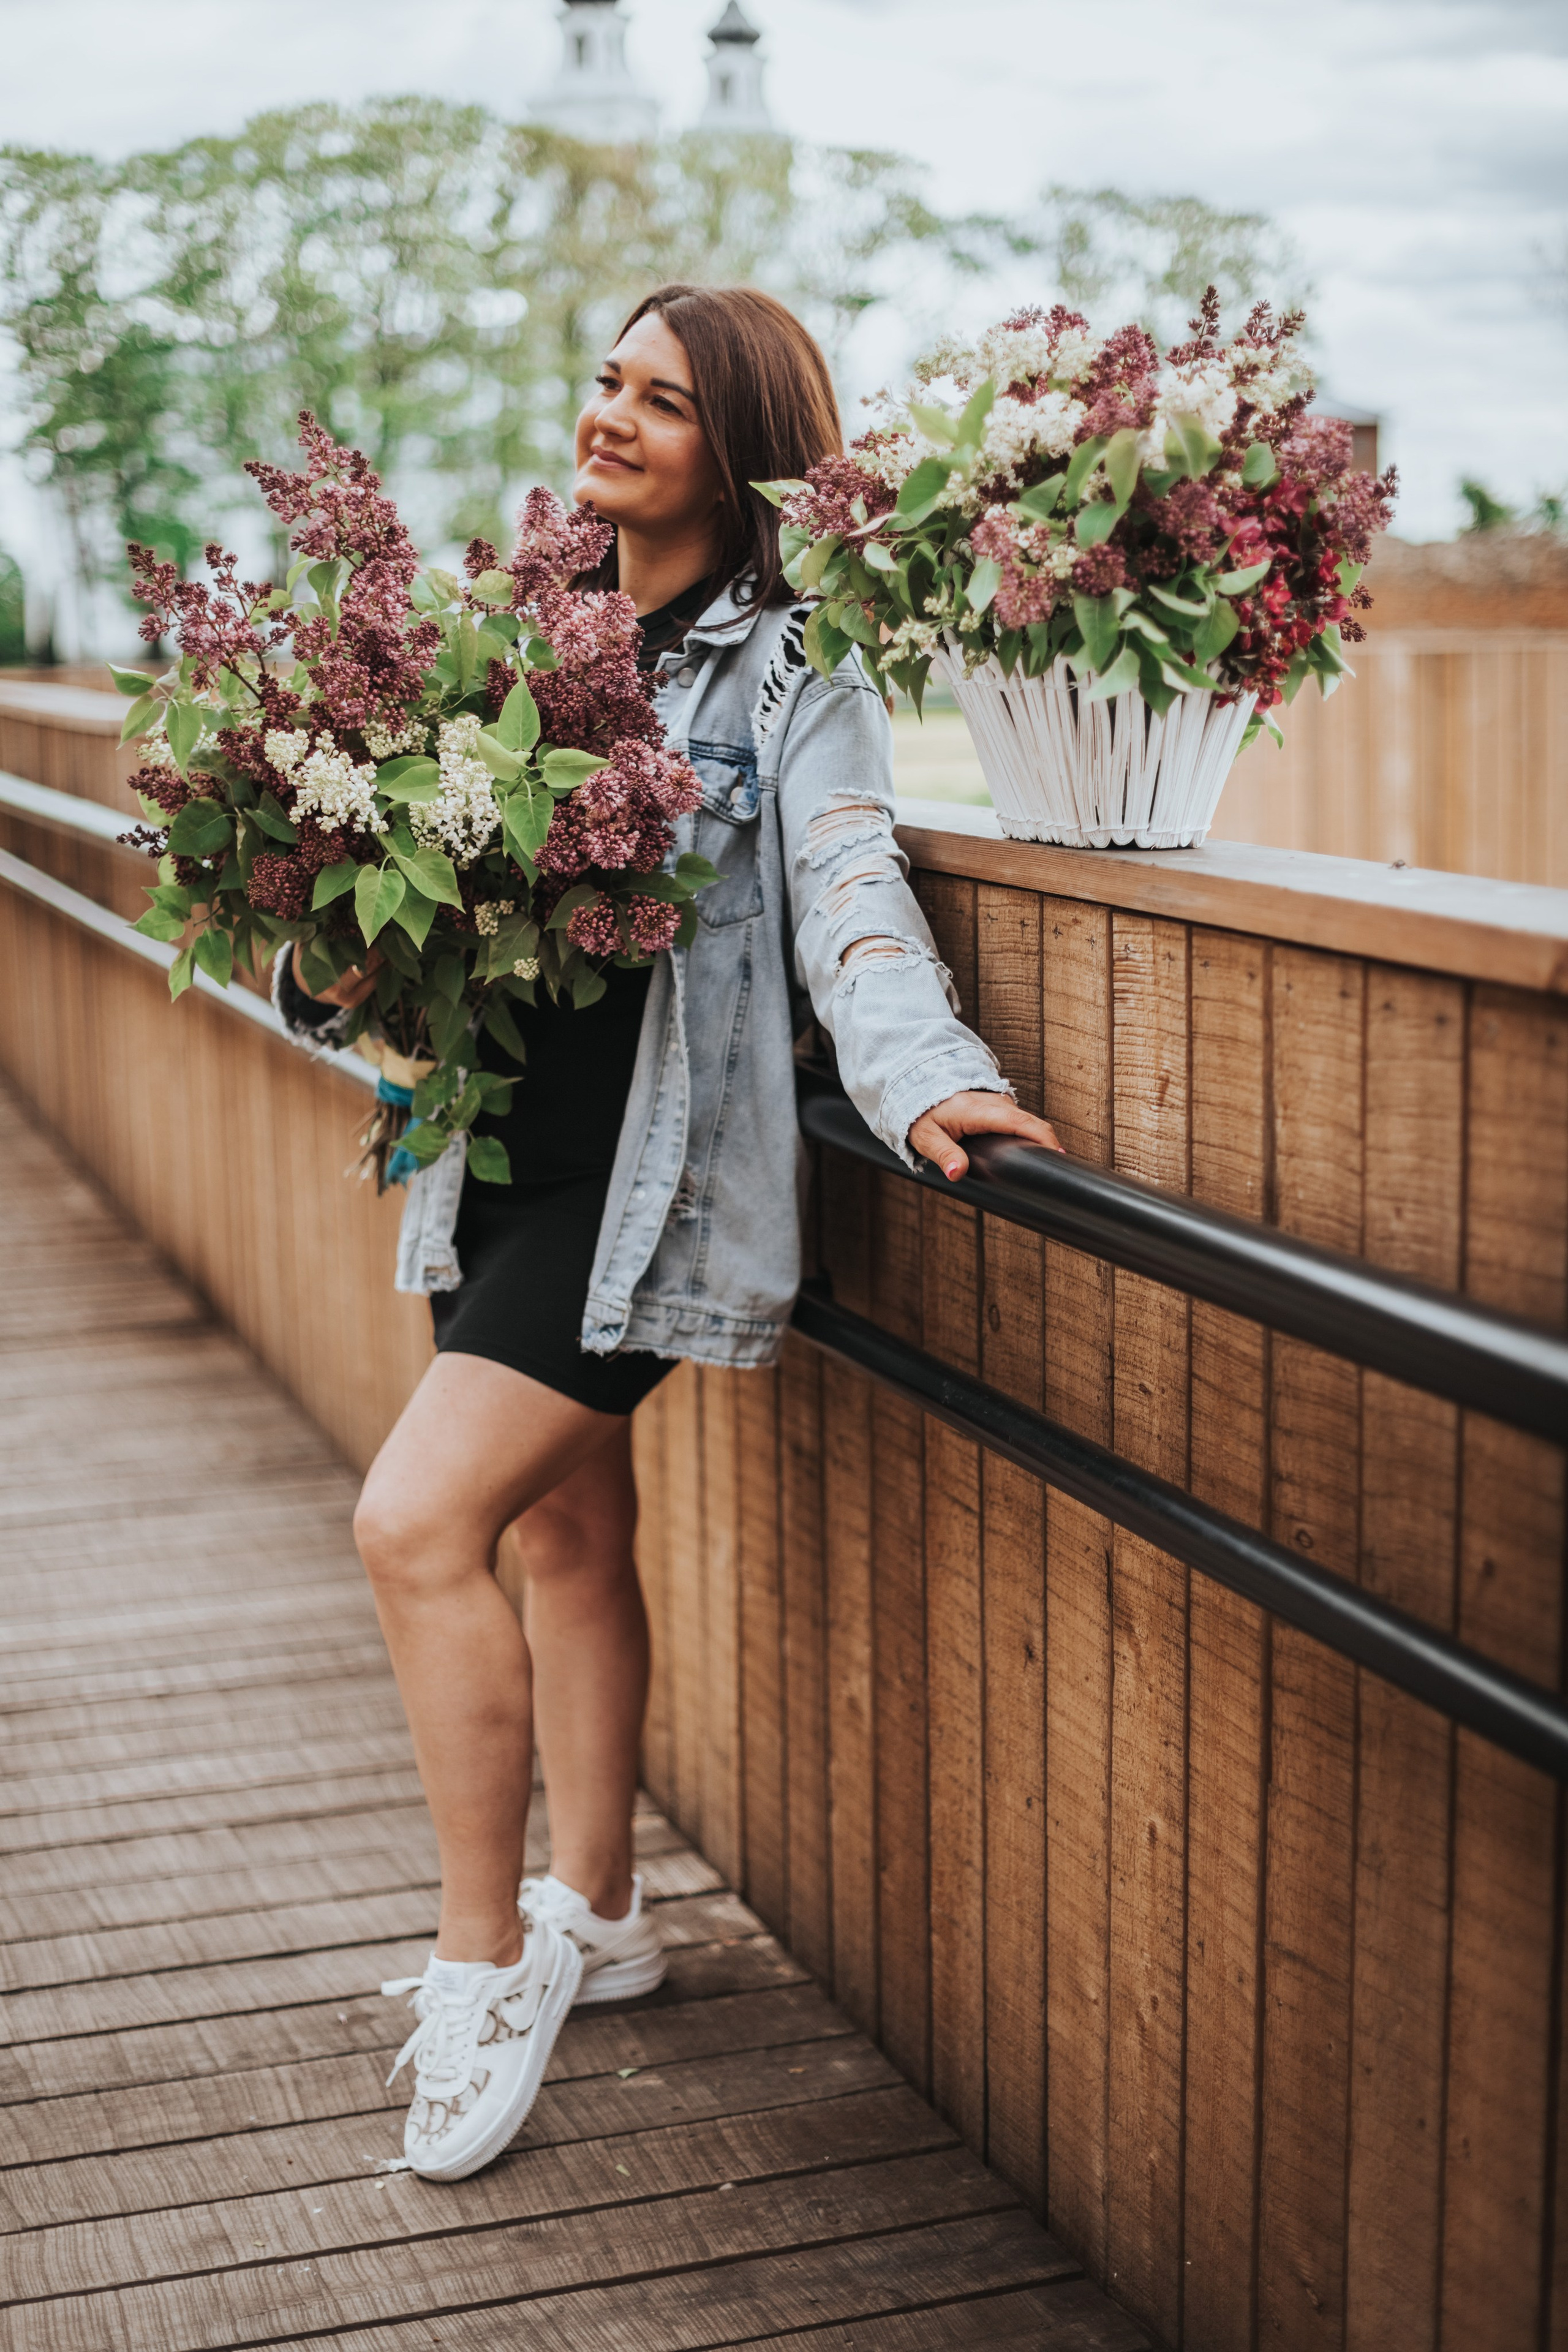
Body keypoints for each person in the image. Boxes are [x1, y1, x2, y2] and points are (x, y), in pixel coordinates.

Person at [278, 282, 1061, 2182]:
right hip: (489, 1152)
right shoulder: (507, 636)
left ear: (745, 446)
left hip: (655, 1185)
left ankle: (486, 1970)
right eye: (606, 382)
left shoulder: (795, 674)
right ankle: (604, 1914)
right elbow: (410, 903)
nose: (612, 419)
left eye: (666, 401)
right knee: (557, 1528)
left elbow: (850, 893)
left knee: (414, 1523)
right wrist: (316, 921)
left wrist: (924, 1075)